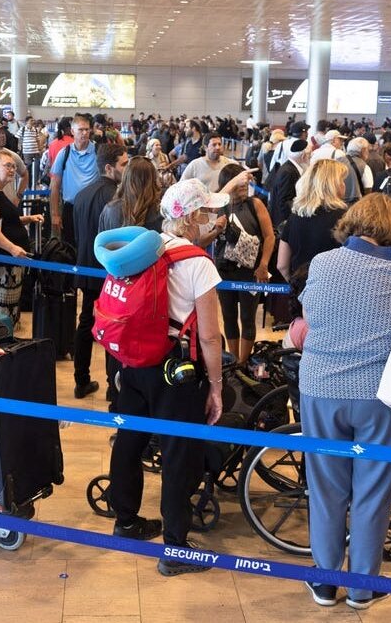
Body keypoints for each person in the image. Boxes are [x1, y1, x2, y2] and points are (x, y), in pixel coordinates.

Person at [299, 194, 391, 610]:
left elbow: (310, 314)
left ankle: (326, 583)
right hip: (379, 393)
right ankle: (363, 587)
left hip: (320, 387)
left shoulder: (322, 263)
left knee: (326, 487)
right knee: (373, 491)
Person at [105, 179, 226, 576]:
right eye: (208, 211)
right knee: (178, 454)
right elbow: (209, 335)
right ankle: (175, 548)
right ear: (191, 218)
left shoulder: (143, 248)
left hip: (134, 361)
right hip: (176, 370)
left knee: (130, 439)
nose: (214, 218)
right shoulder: (198, 263)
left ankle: (125, 519)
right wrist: (217, 386)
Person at [70, 143, 129, 399]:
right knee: (111, 325)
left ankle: (81, 379)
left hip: (85, 266)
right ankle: (110, 386)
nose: (126, 170)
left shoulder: (81, 194)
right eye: (124, 164)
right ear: (109, 167)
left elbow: (76, 234)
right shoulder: (117, 198)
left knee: (86, 322)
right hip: (107, 271)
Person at [0, 151, 44, 331]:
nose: (12, 170)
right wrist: (12, 248)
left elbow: (4, 222)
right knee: (2, 311)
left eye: (14, 166)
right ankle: (2, 346)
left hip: (9, 261)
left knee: (9, 309)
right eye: (7, 166)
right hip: (2, 263)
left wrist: (27, 219)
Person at [213, 162, 275, 362]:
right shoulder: (219, 206)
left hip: (251, 271)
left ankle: (243, 362)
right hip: (224, 272)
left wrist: (263, 265)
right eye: (238, 185)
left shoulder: (255, 204)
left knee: (248, 318)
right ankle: (233, 359)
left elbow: (269, 236)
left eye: (244, 185)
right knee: (228, 316)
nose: (242, 189)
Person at [49, 115, 98, 246]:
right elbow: (54, 186)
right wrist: (55, 214)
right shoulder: (64, 153)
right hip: (70, 209)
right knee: (69, 247)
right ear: (72, 131)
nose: (85, 133)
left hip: (93, 210)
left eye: (87, 129)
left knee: (91, 247)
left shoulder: (98, 152)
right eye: (81, 130)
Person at [98, 156, 163, 233]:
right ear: (154, 179)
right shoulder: (161, 210)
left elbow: (101, 242)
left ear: (125, 178)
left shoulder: (110, 209)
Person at [266, 138, 309, 227]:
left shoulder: (289, 168)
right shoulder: (288, 172)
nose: (309, 156)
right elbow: (284, 201)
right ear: (303, 156)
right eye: (308, 154)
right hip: (282, 221)